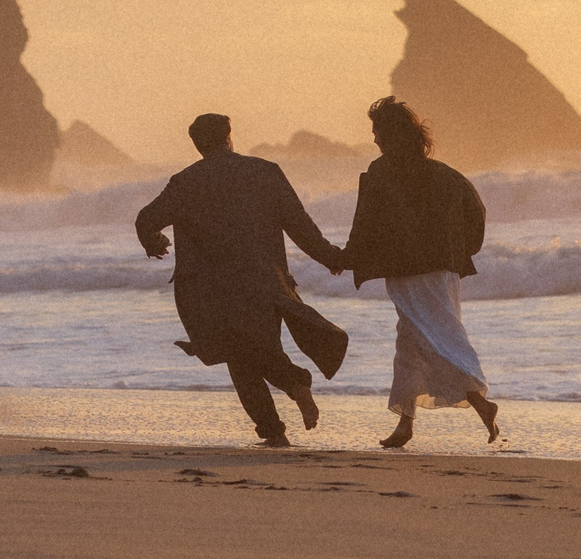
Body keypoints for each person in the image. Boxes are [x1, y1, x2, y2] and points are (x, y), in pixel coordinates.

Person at [135, 113, 349, 447]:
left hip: (212, 291)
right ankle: (282, 413)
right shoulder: (266, 171)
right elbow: (300, 226)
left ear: (197, 144)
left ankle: (285, 406)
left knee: (240, 357)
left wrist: (154, 243)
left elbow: (146, 218)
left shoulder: (185, 181)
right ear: (229, 136)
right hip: (266, 283)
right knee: (256, 350)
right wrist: (332, 258)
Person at [335, 96, 501, 447]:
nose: (375, 139)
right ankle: (405, 423)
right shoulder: (445, 174)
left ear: (393, 134)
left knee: (437, 336)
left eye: (378, 131)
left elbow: (364, 222)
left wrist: (347, 256)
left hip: (408, 271)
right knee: (413, 340)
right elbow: (477, 214)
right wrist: (460, 252)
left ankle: (478, 399)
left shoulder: (382, 170)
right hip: (443, 270)